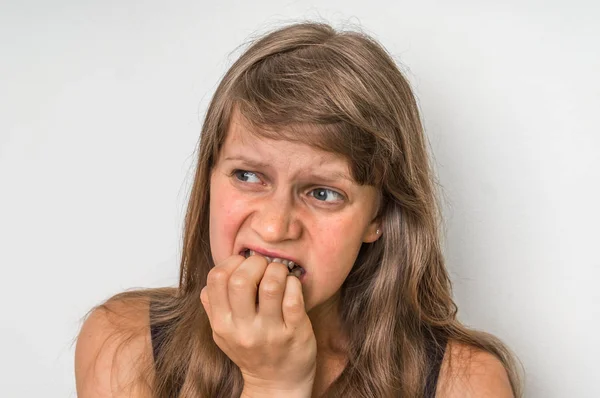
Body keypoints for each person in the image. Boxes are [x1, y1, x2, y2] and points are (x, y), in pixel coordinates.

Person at [75, 21, 522, 397]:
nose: (273, 227)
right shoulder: (126, 344)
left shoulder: (462, 384)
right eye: (248, 176)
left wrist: (276, 381)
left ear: (379, 217)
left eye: (323, 193)